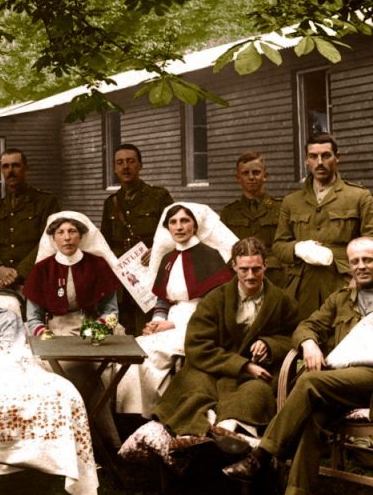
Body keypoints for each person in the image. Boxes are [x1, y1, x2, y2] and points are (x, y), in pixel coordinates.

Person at [223, 236, 373, 495]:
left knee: (307, 382)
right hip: (338, 381)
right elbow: (307, 325)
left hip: (369, 381)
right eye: (355, 261)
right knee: (312, 419)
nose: (361, 266)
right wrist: (308, 343)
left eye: (368, 260)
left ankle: (261, 457)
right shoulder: (341, 298)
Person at [154, 237, 299, 457]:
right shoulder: (215, 299)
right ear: (234, 267)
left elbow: (293, 335)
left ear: (265, 266)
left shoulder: (281, 300)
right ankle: (193, 435)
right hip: (212, 367)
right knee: (194, 389)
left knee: (256, 393)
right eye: (244, 269)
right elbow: (197, 343)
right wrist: (242, 365)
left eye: (256, 269)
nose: (250, 276)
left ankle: (227, 430)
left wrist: (270, 344)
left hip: (256, 374)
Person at [115, 203, 237, 418]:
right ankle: (134, 416)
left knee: (148, 355)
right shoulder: (168, 258)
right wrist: (157, 321)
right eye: (173, 222)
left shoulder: (210, 256)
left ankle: (158, 413)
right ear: (167, 228)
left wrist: (174, 325)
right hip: (170, 323)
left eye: (185, 221)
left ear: (195, 226)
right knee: (132, 352)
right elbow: (163, 299)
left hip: (199, 325)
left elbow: (215, 304)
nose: (179, 227)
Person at [23, 210, 122, 445]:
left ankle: (79, 441)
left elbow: (111, 312)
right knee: (76, 371)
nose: (66, 237)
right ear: (53, 238)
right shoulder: (42, 269)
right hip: (54, 331)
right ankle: (105, 440)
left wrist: (97, 330)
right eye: (60, 232)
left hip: (92, 329)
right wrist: (45, 335)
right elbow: (33, 317)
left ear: (81, 236)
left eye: (72, 232)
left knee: (89, 370)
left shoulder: (97, 265)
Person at [272, 132, 373, 318]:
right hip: (303, 288)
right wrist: (299, 248)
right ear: (306, 161)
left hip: (343, 283)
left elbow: (371, 241)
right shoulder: (291, 201)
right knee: (305, 336)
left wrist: (358, 280)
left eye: (326, 155)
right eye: (313, 156)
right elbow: (279, 246)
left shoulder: (358, 197)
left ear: (337, 157)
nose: (319, 162)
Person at [101, 143, 174, 334]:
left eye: (131, 161)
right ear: (115, 169)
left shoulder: (158, 197)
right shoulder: (111, 203)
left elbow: (174, 231)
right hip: (123, 276)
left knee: (149, 325)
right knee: (124, 326)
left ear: (140, 165)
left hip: (149, 270)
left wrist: (158, 250)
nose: (126, 167)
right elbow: (105, 242)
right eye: (120, 163)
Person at [0, 148, 59, 289]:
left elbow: (48, 241)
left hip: (36, 278)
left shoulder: (45, 202)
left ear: (26, 168)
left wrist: (20, 272)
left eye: (16, 165)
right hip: (2, 280)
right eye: (5, 166)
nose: (10, 171)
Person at [220, 151, 286, 287]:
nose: (251, 177)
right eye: (245, 173)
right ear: (238, 177)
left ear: (265, 176)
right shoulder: (229, 213)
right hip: (241, 280)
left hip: (276, 279)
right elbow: (224, 251)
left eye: (256, 172)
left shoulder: (281, 208)